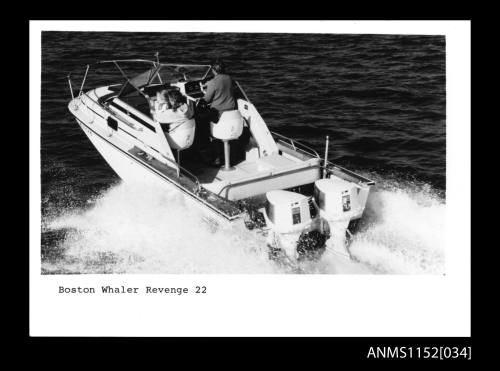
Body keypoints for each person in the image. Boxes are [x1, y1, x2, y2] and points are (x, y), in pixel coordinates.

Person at [195, 58, 237, 166]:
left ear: (213, 70)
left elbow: (207, 99)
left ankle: (209, 154)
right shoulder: (230, 78)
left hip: (218, 113)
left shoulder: (213, 82)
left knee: (199, 121)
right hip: (231, 113)